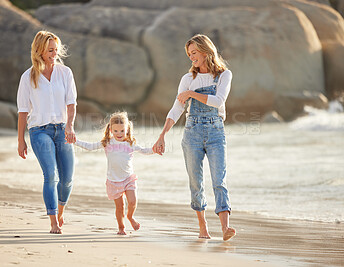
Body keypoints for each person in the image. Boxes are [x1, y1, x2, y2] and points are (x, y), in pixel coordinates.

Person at [153, 34, 236, 241]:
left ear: (206, 51)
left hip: (216, 132)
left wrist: (191, 94)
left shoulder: (224, 75)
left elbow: (218, 101)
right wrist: (162, 135)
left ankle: (226, 228)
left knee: (219, 180)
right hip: (192, 133)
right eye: (189, 54)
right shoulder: (187, 79)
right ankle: (203, 227)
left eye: (194, 53)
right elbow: (176, 109)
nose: (191, 58)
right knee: (196, 183)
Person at [17, 30, 77, 234]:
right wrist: (21, 140)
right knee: (51, 175)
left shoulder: (65, 73)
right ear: (40, 51)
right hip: (38, 131)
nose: (54, 53)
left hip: (62, 130)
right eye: (50, 50)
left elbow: (71, 103)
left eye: (55, 50)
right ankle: (53, 221)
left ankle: (60, 212)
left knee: (67, 179)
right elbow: (23, 111)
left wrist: (69, 126)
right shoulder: (28, 77)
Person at [74, 112, 154, 235]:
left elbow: (144, 150)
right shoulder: (108, 142)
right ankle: (121, 227)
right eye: (116, 131)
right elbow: (89, 146)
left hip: (128, 178)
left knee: (132, 201)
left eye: (122, 131)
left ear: (127, 129)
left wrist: (155, 149)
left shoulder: (130, 143)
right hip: (113, 181)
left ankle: (130, 216)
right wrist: (75, 141)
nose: (119, 134)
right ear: (111, 130)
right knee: (120, 207)